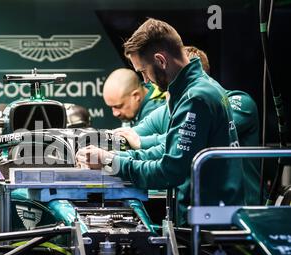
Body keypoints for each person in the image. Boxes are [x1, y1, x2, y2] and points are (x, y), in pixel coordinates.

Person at [76, 18, 244, 226]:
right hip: (213, 215)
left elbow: (169, 171)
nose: (146, 81)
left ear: (161, 61)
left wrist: (112, 163)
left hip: (211, 224)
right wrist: (112, 156)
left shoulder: (195, 98)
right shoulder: (200, 89)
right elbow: (168, 150)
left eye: (143, 72)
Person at [114, 45, 261, 205]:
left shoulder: (239, 103)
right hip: (199, 205)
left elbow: (188, 141)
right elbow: (129, 136)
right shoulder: (171, 109)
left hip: (244, 206)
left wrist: (140, 144)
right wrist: (103, 146)